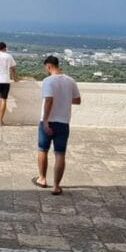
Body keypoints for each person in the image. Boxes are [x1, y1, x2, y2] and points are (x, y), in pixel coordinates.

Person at [33, 55, 81, 195]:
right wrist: (64, 99)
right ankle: (56, 186)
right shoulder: (70, 81)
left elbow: (49, 101)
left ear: (48, 66)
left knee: (43, 150)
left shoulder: (48, 81)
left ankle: (42, 179)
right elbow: (77, 100)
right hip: (63, 122)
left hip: (48, 121)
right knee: (60, 154)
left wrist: (45, 121)